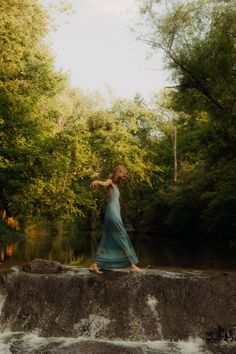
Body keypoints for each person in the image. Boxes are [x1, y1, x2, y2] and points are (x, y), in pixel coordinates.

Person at [90, 165, 142, 274]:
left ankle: (95, 265)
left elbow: (110, 196)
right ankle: (132, 265)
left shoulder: (115, 186)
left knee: (107, 238)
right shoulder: (110, 182)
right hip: (113, 214)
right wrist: (96, 181)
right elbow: (104, 183)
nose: (124, 178)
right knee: (122, 237)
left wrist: (104, 200)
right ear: (119, 174)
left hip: (114, 213)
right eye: (123, 175)